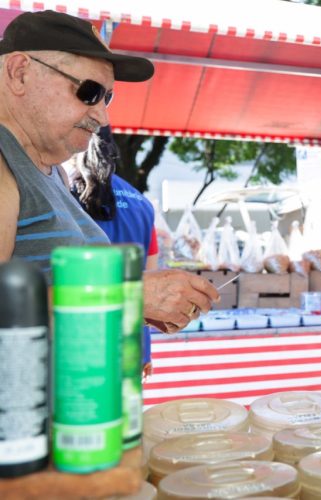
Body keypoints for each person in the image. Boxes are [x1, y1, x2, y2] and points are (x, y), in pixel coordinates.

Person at [0, 10, 217, 332]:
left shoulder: (50, 171)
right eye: (89, 92)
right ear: (19, 73)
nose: (102, 116)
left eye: (108, 97)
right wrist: (127, 296)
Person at [67, 126, 161, 377]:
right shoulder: (142, 203)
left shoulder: (65, 196)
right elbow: (150, 282)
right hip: (132, 342)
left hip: (82, 341)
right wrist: (145, 351)